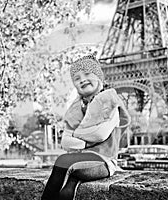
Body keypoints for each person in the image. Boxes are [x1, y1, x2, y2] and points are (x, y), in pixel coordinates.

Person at [41, 52, 131, 200]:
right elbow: (65, 142)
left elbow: (100, 134)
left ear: (99, 77)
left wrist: (76, 135)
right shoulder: (75, 109)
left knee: (63, 161)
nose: (82, 80)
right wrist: (86, 137)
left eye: (87, 74)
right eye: (77, 78)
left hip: (104, 162)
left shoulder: (109, 102)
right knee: (69, 187)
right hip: (81, 161)